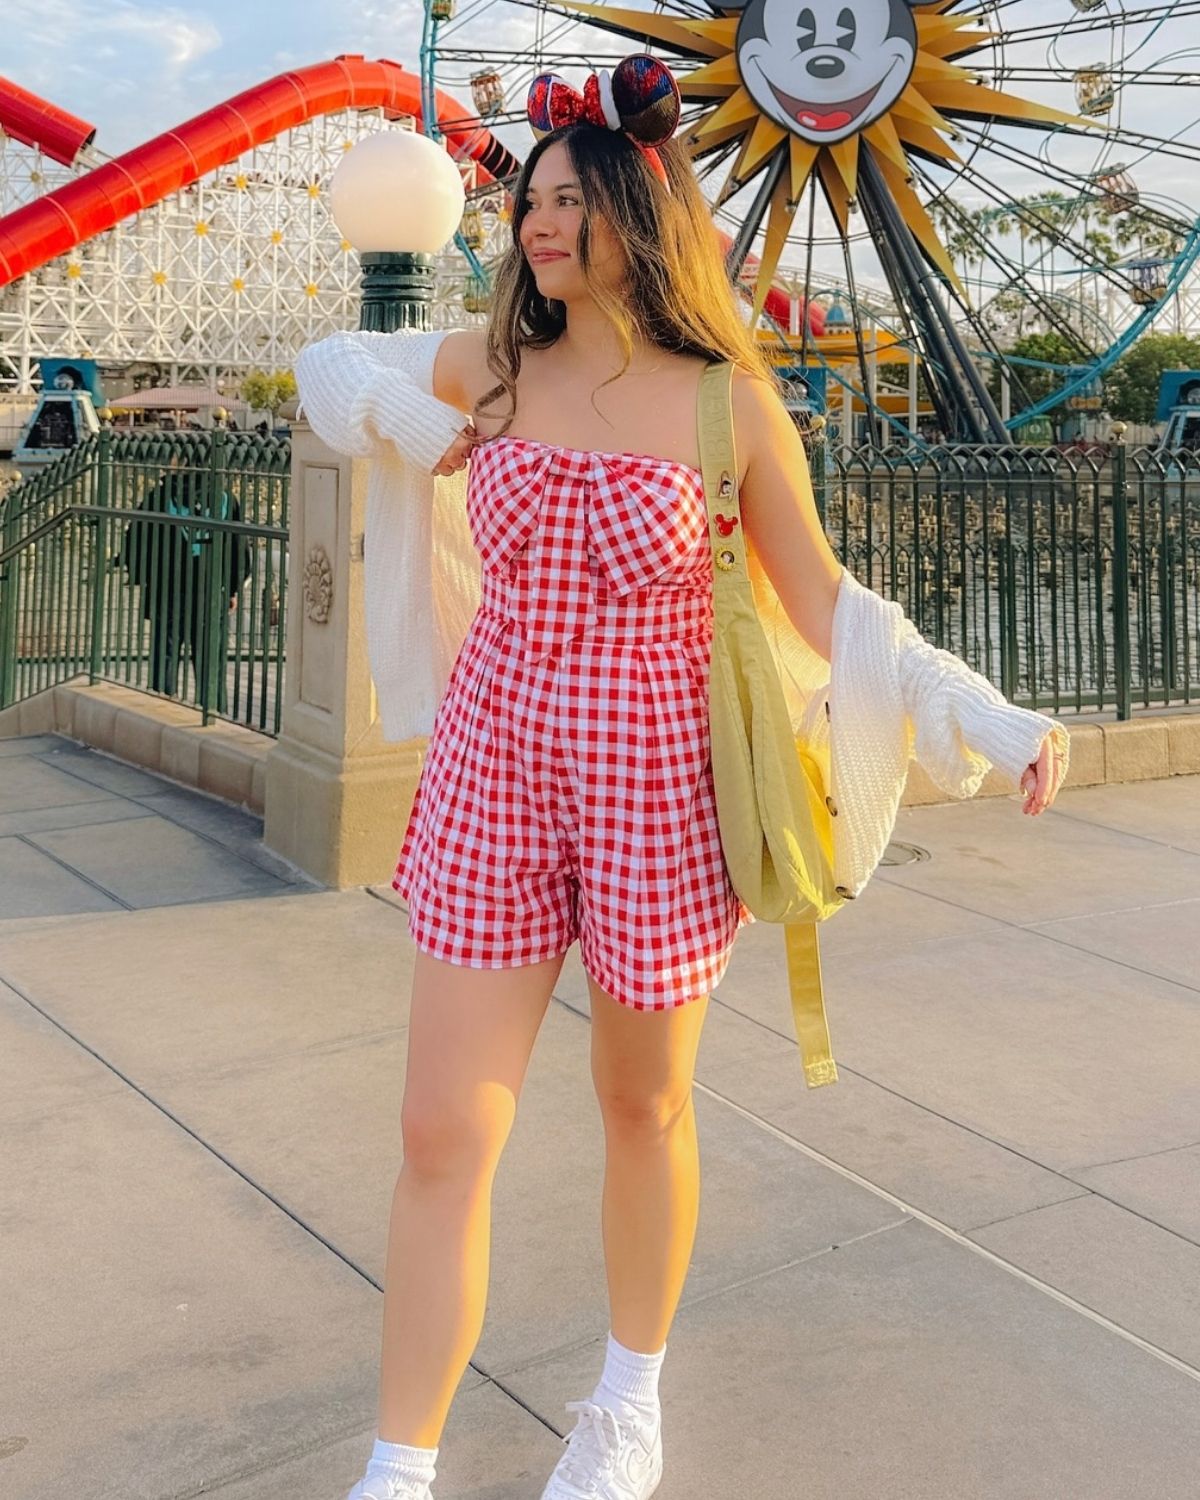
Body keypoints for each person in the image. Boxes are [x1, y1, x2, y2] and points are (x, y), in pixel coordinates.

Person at [295, 55, 1067, 1500]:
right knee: (441, 1124)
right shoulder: (491, 364)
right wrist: (417, 422)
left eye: (574, 201)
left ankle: (625, 1402)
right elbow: (335, 370)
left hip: (657, 779)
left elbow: (833, 608)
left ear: (638, 219)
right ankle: (400, 1466)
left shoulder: (727, 404)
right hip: (495, 763)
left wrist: (992, 715)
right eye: (533, 197)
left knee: (642, 1103)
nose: (540, 220)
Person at [113, 461, 252, 713]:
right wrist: (232, 587)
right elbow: (237, 546)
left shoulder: (160, 497)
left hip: (167, 589)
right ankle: (212, 711)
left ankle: (161, 708)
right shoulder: (224, 499)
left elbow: (136, 537)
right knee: (210, 658)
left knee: (164, 655)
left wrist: (142, 578)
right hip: (211, 590)